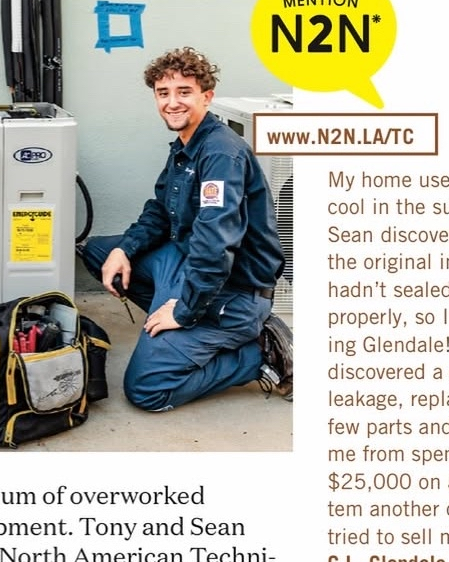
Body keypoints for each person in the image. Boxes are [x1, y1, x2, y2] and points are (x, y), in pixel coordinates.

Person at [78, 47, 292, 412]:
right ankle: (180, 323)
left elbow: (215, 245)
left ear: (206, 97)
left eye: (184, 92)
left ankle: (258, 353)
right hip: (186, 262)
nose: (172, 103)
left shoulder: (221, 154)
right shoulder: (185, 146)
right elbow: (161, 210)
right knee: (100, 253)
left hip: (233, 291)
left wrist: (183, 312)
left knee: (147, 390)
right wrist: (124, 250)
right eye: (163, 93)